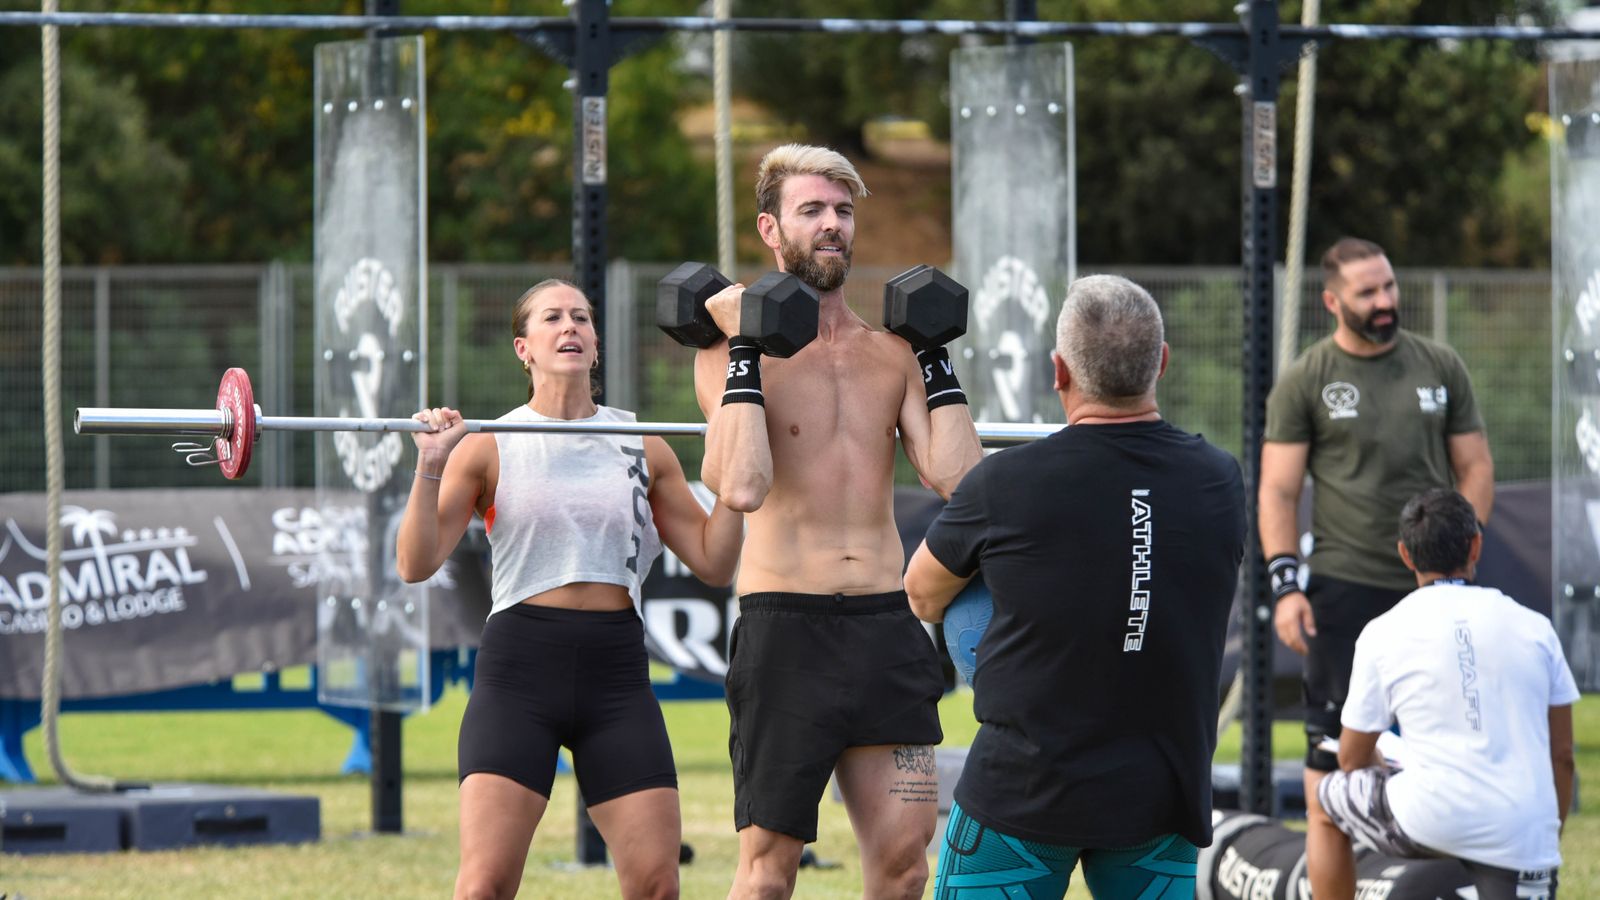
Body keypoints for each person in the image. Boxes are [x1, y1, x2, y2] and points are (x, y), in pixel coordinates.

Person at [692, 143, 984, 899]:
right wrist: (749, 346)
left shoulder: (892, 354)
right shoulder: (727, 349)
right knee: (767, 877)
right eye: (812, 211)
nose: (832, 226)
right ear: (770, 227)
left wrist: (935, 358)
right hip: (785, 630)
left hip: (888, 631)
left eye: (844, 212)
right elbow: (743, 484)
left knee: (905, 863)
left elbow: (959, 480)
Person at [395, 278, 744, 900]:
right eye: (552, 318)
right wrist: (430, 464)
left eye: (581, 318)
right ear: (522, 347)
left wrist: (742, 477)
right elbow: (415, 563)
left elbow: (715, 563)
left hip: (616, 672)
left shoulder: (643, 442)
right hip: (520, 670)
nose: (570, 328)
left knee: (658, 886)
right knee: (483, 887)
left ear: (597, 343)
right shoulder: (487, 443)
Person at [903, 274, 1247, 899]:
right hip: (1162, 797)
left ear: (1058, 372)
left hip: (1024, 793)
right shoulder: (1220, 481)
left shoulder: (1004, 485)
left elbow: (922, 594)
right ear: (1161, 364)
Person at [1258, 237, 1495, 896]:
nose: (1385, 300)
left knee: (1455, 756)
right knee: (1330, 781)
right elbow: (1277, 490)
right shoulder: (1308, 376)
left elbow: (1475, 469)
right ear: (1333, 301)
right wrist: (1286, 587)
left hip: (1437, 589)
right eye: (1367, 292)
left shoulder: (1439, 364)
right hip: (1343, 591)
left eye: (1388, 286)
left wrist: (1456, 549)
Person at [1314, 488, 1577, 900]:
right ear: (1476, 545)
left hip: (1428, 818)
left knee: (1324, 799)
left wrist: (1381, 762)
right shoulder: (1536, 628)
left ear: (1405, 554)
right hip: (1525, 835)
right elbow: (1562, 755)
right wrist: (1546, 835)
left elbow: (1350, 758)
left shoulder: (1382, 632)